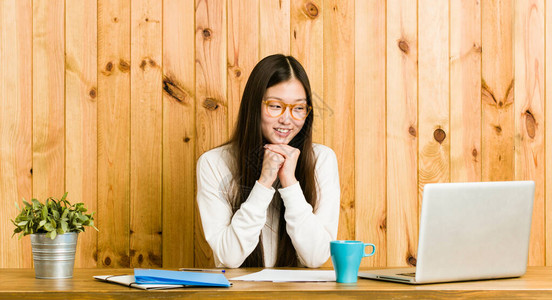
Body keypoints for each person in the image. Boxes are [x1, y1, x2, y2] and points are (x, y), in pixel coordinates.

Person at [196, 54, 340, 268]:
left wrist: (289, 182)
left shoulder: (322, 159)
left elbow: (316, 256)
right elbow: (230, 258)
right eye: (275, 106)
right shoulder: (213, 163)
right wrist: (264, 183)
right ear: (254, 106)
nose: (287, 119)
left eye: (299, 108)